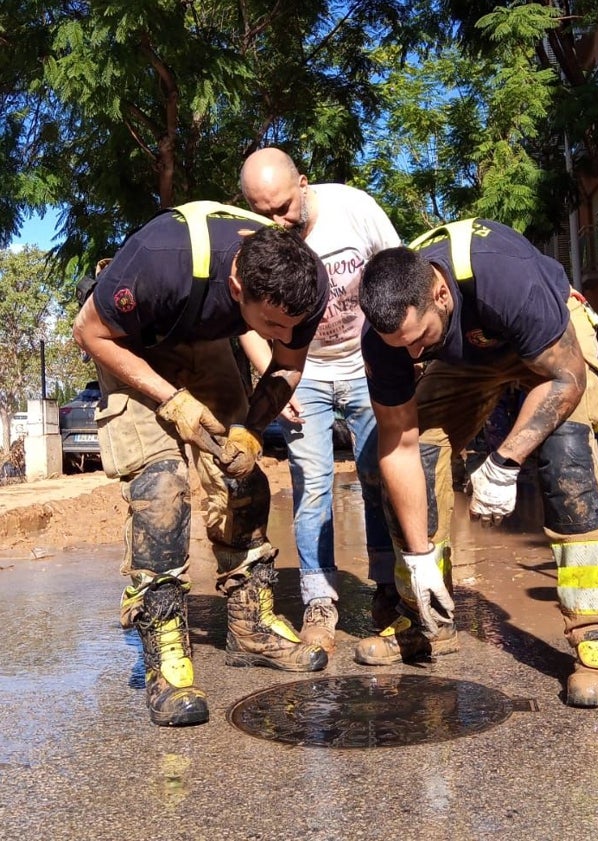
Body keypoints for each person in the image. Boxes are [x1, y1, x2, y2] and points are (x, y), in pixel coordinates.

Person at [72, 201, 330, 728]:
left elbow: (287, 363)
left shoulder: (303, 283)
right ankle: (165, 656)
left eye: (292, 326)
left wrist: (251, 431)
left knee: (243, 477)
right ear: (238, 287)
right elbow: (88, 332)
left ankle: (250, 627)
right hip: (129, 342)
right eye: (271, 325)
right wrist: (173, 402)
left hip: (203, 335)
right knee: (162, 488)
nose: (283, 334)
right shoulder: (160, 260)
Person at [355, 217, 598, 708]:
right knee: (406, 457)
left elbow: (565, 380)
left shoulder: (506, 277)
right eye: (403, 347)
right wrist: (419, 559)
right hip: (469, 359)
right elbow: (398, 443)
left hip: (552, 342)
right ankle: (426, 617)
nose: (414, 354)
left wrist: (505, 461)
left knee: (565, 453)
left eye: (419, 339)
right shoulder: (390, 333)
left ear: (440, 293)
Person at [238, 148, 401, 652]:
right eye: (262, 213)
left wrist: (399, 361)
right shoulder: (256, 238)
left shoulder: (355, 208)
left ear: (303, 184)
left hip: (365, 363)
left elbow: (399, 271)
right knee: (312, 485)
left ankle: (388, 592)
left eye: (283, 207)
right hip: (301, 371)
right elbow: (241, 315)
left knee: (381, 477)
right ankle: (319, 601)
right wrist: (273, 378)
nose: (275, 222)